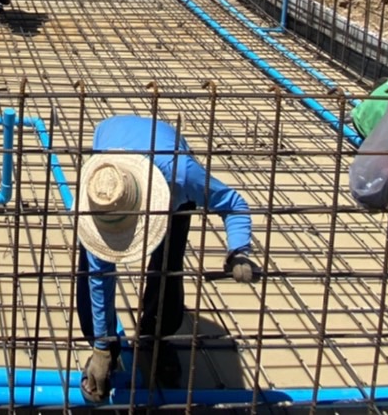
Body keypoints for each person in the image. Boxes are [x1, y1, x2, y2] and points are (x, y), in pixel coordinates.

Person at [75, 115, 258, 403]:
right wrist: (101, 345)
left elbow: (233, 203)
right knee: (89, 273)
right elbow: (100, 280)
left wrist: (238, 250)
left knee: (169, 264)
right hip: (113, 139)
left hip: (167, 166)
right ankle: (107, 350)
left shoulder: (183, 176)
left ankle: (157, 335)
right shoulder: (101, 194)